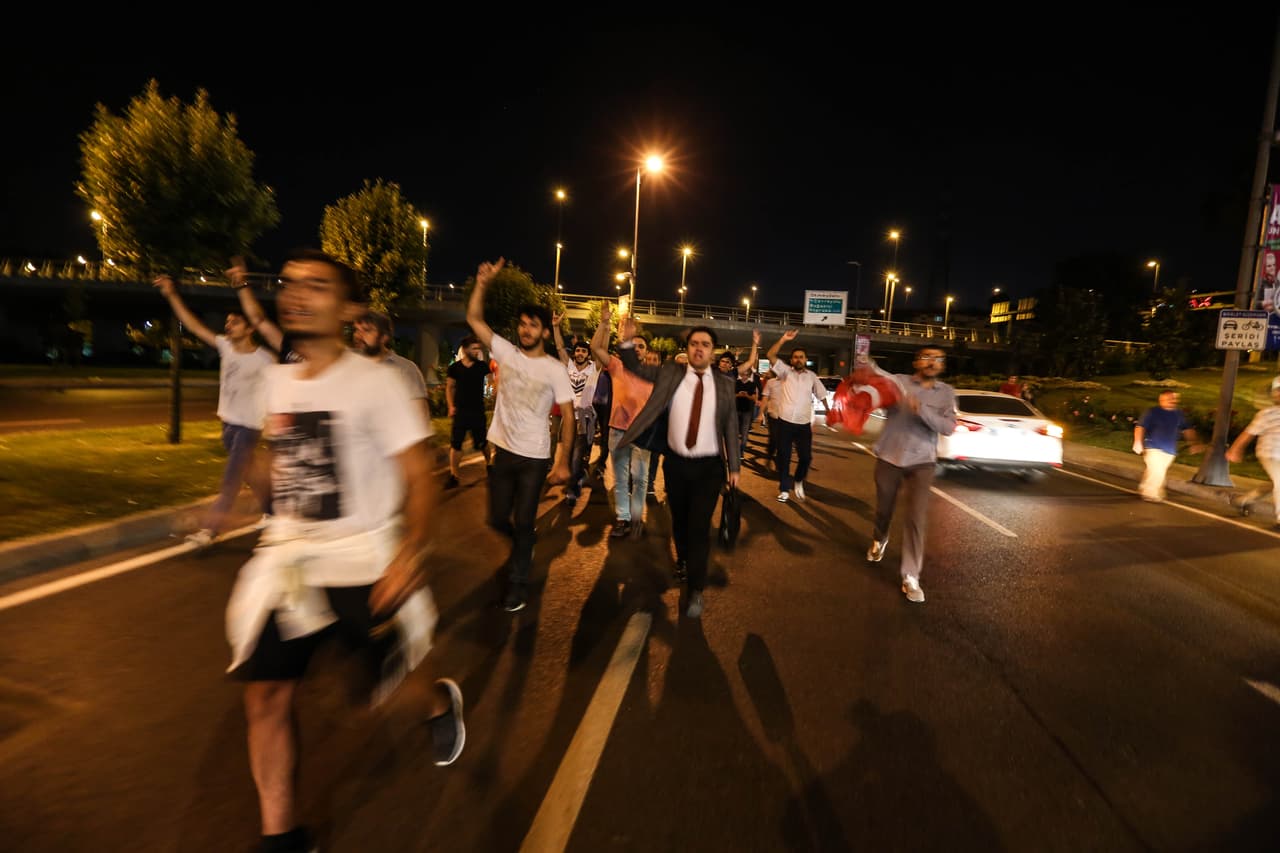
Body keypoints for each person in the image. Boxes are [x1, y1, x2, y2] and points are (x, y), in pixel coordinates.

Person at [222, 249, 463, 853]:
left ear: (349, 307)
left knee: (389, 688)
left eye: (317, 286)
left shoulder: (375, 382)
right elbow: (269, 459)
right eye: (290, 283)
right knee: (266, 694)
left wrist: (411, 553)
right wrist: (241, 494)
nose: (297, 294)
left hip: (365, 557)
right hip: (291, 559)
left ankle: (438, 700)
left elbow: (421, 472)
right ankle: (282, 838)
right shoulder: (274, 380)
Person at [466, 258, 573, 612]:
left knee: (525, 518)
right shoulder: (506, 352)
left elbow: (569, 417)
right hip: (503, 451)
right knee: (498, 519)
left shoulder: (555, 369)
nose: (526, 330)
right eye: (523, 324)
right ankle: (523, 544)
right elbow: (474, 320)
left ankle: (519, 583)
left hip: (534, 456)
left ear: (544, 332)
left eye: (533, 325)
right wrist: (482, 284)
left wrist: (562, 461)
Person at [615, 318, 740, 618]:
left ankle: (696, 589)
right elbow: (636, 368)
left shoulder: (725, 384)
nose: (699, 349)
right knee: (680, 524)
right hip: (676, 464)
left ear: (713, 351)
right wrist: (626, 342)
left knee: (699, 528)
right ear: (687, 349)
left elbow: (731, 426)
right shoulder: (671, 372)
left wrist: (734, 466)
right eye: (694, 344)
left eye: (705, 345)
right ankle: (683, 559)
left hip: (709, 468)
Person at [155, 273, 275, 546]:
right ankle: (272, 511)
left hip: (249, 427)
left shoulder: (265, 359)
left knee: (231, 479)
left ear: (250, 329)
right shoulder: (226, 347)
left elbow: (285, 384)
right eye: (227, 322)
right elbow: (194, 326)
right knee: (249, 473)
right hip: (228, 427)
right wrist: (172, 294)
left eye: (235, 322)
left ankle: (209, 531)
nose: (228, 326)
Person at [866, 347, 957, 604]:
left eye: (938, 359)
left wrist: (922, 410)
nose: (932, 362)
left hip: (922, 461)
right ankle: (880, 538)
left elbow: (948, 427)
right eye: (927, 357)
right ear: (916, 360)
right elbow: (877, 379)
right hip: (889, 456)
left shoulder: (947, 393)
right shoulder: (899, 381)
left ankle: (910, 576)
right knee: (884, 508)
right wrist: (866, 364)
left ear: (942, 365)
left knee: (916, 517)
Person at [590, 301, 658, 539]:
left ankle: (637, 517)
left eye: (642, 347)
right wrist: (605, 323)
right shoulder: (616, 365)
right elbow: (595, 348)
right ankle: (623, 519)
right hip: (618, 431)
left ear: (646, 352)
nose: (638, 349)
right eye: (634, 345)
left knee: (640, 479)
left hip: (642, 435)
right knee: (620, 478)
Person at [765, 330, 831, 502]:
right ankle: (784, 489)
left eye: (801, 357)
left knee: (806, 458)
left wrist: (828, 411)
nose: (798, 359)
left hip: (803, 424)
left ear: (805, 359)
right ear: (792, 360)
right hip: (785, 422)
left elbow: (821, 394)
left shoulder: (812, 377)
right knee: (784, 457)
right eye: (795, 357)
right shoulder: (785, 372)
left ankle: (799, 480)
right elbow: (770, 354)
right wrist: (783, 339)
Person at [552, 313, 600, 506]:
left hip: (584, 416)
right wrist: (556, 327)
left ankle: (573, 490)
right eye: (578, 351)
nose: (580, 353)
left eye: (583, 351)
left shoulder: (593, 369)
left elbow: (599, 348)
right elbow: (559, 347)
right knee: (567, 452)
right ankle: (578, 475)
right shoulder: (569, 365)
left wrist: (603, 325)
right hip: (568, 416)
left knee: (576, 456)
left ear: (588, 355)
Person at [352, 310, 430, 423]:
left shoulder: (406, 369)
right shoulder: (347, 364)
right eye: (357, 330)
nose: (358, 336)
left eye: (366, 331)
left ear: (384, 337)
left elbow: (420, 417)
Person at [1133, 390, 1205, 503]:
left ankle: (1145, 487)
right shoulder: (1152, 412)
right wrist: (1138, 441)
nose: (1173, 401)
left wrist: (1194, 443)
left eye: (1174, 398)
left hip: (1170, 451)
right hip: (1153, 447)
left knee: (1156, 470)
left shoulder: (1178, 414)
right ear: (1161, 400)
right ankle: (1151, 493)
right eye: (1169, 398)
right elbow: (1140, 427)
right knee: (1157, 470)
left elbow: (1187, 429)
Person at [1227, 376, 1280, 526]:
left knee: (1273, 484)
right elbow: (1248, 433)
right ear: (1274, 394)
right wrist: (1235, 449)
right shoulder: (1266, 413)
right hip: (1270, 453)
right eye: (1278, 391)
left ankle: (1242, 501)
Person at [443, 335, 492, 489]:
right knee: (456, 444)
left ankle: (489, 465)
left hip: (478, 411)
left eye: (478, 348)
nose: (477, 351)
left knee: (482, 442)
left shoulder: (482, 366)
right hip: (461, 412)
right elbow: (450, 387)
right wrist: (451, 405)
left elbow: (491, 381)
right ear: (465, 350)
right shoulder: (455, 368)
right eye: (474, 348)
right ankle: (454, 475)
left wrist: (492, 391)